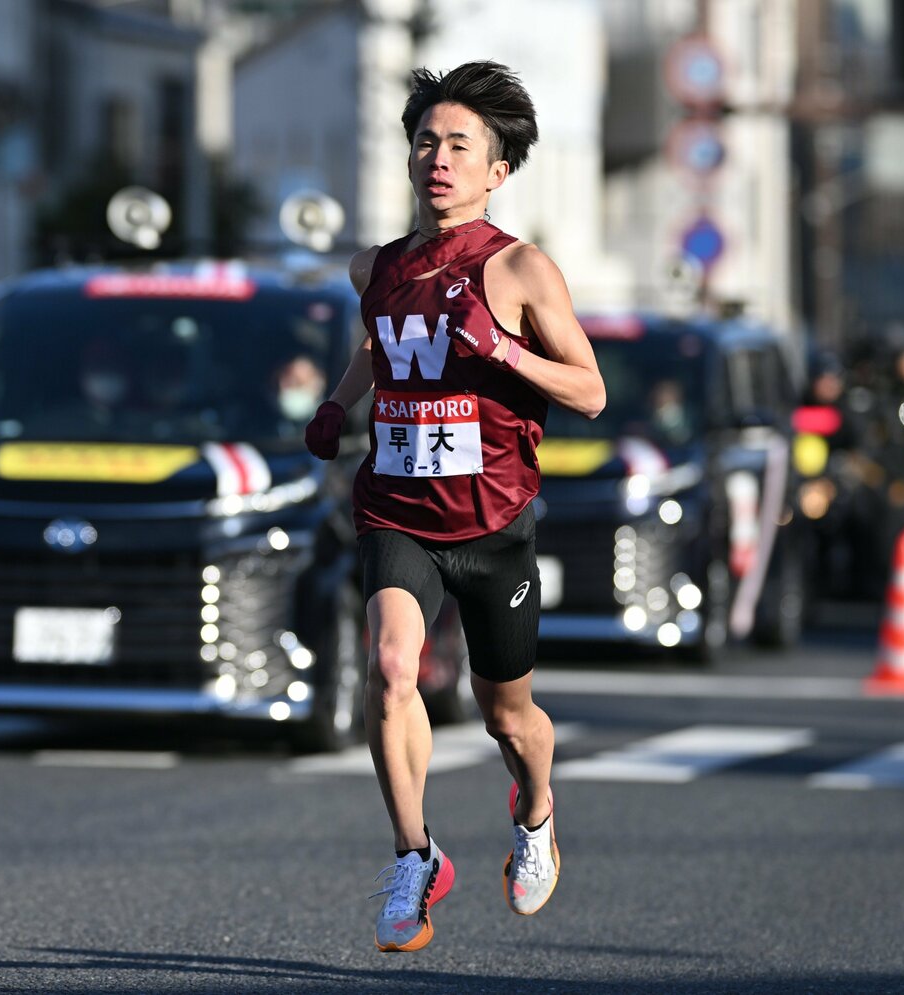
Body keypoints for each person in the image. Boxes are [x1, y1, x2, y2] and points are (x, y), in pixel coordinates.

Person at [303, 62, 605, 953]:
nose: (438, 158)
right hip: (397, 512)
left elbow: (588, 390)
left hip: (493, 525)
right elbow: (379, 342)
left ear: (497, 169)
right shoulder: (377, 268)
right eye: (426, 141)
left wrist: (503, 354)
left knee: (509, 715)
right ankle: (415, 855)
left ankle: (537, 809)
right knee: (393, 666)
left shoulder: (518, 268)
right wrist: (338, 403)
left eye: (459, 145)